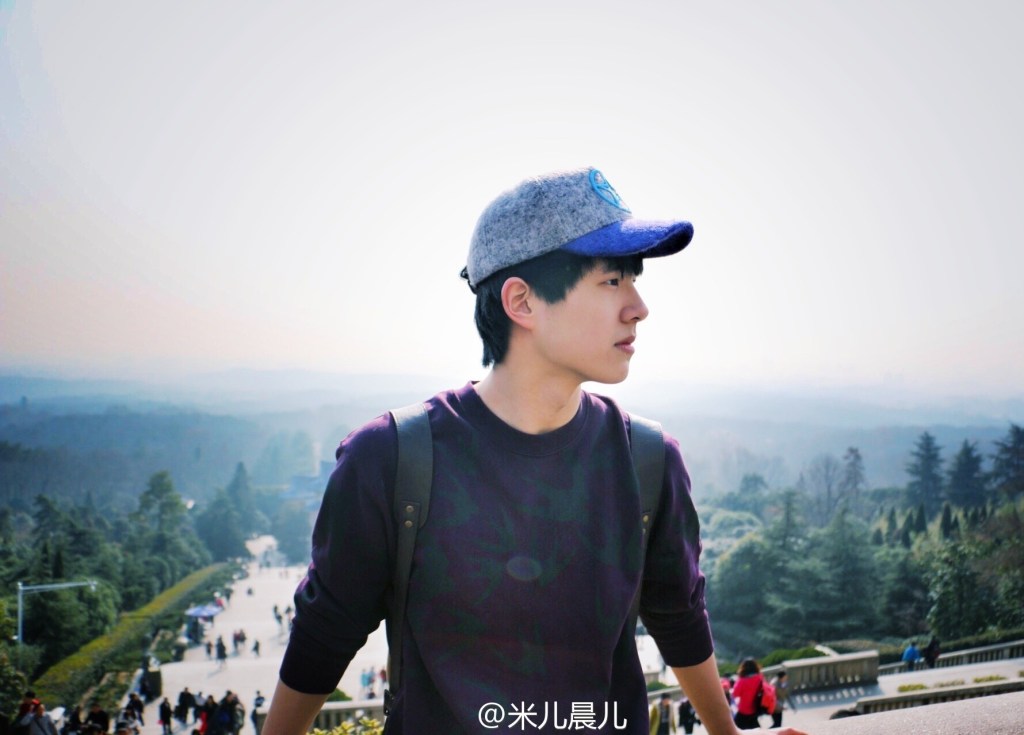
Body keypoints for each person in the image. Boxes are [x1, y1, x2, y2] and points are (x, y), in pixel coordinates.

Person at [261, 167, 808, 735]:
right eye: (612, 281)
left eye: (634, 281)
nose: (639, 307)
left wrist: (727, 732)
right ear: (521, 301)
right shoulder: (392, 459)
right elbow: (326, 633)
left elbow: (678, 614)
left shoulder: (647, 459)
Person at [731, 659, 765, 730]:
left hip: (743, 710)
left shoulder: (742, 681)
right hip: (756, 708)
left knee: (735, 729)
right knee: (756, 729)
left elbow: (735, 694)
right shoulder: (760, 678)